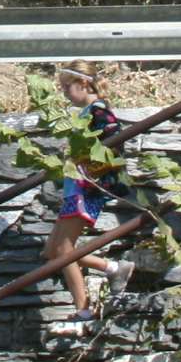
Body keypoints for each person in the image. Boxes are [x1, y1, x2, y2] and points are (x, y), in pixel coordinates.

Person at [41, 65, 124, 315]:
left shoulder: (98, 109)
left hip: (85, 189)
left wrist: (86, 159)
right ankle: (111, 267)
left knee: (64, 250)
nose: (64, 93)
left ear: (84, 83)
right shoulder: (86, 113)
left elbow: (114, 140)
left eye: (67, 87)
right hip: (74, 188)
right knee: (51, 251)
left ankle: (83, 310)